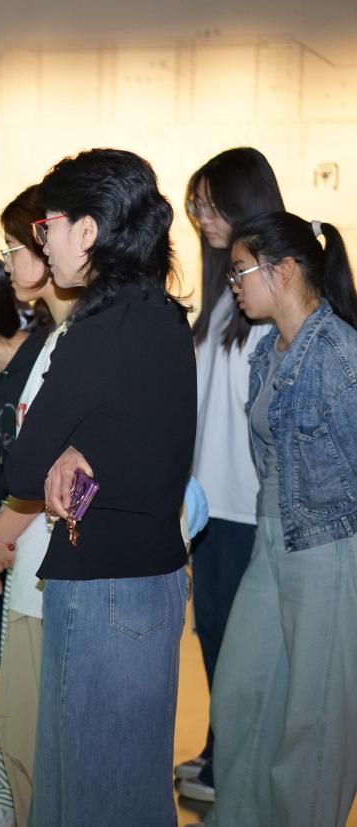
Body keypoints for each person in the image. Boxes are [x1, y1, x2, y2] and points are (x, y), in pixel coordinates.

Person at [4, 149, 196, 825]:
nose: (42, 242)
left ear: (86, 230)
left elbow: (22, 471)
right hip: (156, 578)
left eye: (46, 225)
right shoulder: (164, 316)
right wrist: (78, 446)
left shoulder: (93, 332)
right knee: (129, 787)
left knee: (89, 792)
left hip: (102, 588)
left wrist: (62, 449)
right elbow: (137, 443)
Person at [200, 212, 357, 827]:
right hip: (272, 540)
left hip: (329, 548)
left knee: (316, 719)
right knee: (243, 694)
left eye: (240, 271)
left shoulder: (339, 353)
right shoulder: (268, 351)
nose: (233, 284)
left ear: (284, 270)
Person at [0, 185, 80, 827]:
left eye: (15, 247)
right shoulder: (57, 336)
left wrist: (1, 535)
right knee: (21, 713)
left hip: (57, 560)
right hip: (36, 555)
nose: (8, 261)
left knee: (42, 721)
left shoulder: (73, 342)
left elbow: (59, 473)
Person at [176, 147, 285, 804]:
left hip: (249, 502)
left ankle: (236, 762)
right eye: (196, 205)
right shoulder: (223, 294)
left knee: (243, 645)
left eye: (211, 204)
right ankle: (223, 750)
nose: (201, 217)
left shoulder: (270, 292)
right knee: (214, 633)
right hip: (209, 501)